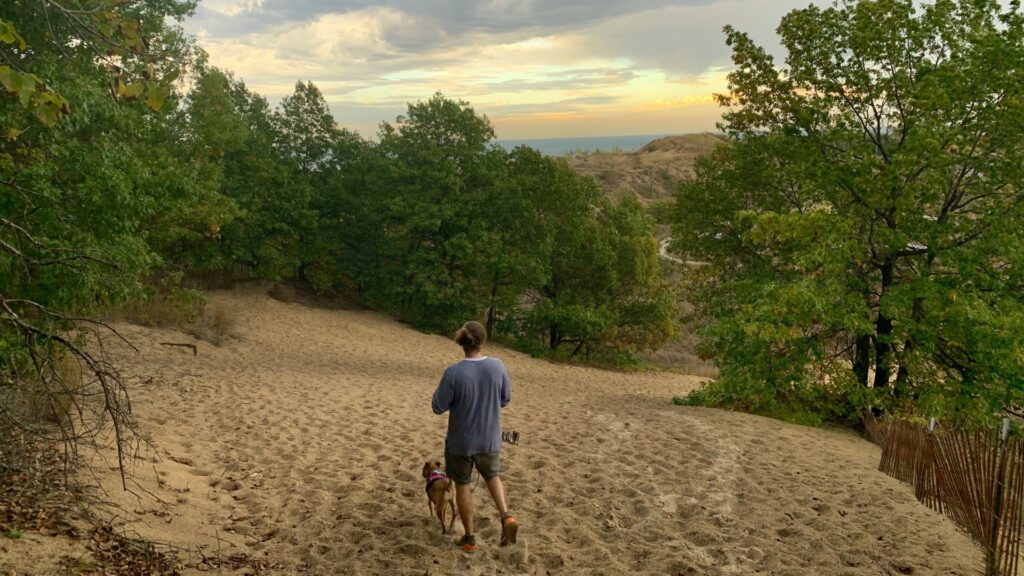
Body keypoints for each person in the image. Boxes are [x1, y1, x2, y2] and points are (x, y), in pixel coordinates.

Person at [431, 320, 518, 552]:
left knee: (463, 485)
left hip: (461, 442)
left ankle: (469, 539)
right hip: (490, 438)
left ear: (462, 343)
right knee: (493, 476)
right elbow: (505, 398)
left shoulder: (453, 372)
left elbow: (438, 406)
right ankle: (506, 517)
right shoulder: (497, 366)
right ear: (483, 341)